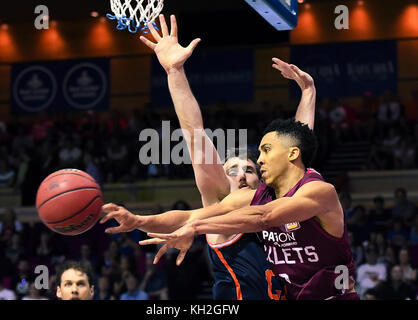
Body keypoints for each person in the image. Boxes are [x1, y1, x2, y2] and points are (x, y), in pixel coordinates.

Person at [102, 14, 317, 300]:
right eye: (232, 170)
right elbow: (194, 133)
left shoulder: (279, 203)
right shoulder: (220, 204)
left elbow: (296, 150)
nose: (241, 174)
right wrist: (174, 72)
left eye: (249, 169)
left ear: (262, 175)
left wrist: (308, 91)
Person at [136, 119, 359, 300]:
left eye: (266, 150)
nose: (260, 159)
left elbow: (264, 217)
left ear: (292, 154)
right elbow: (190, 214)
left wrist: (195, 228)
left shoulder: (321, 191)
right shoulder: (255, 196)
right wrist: (137, 220)